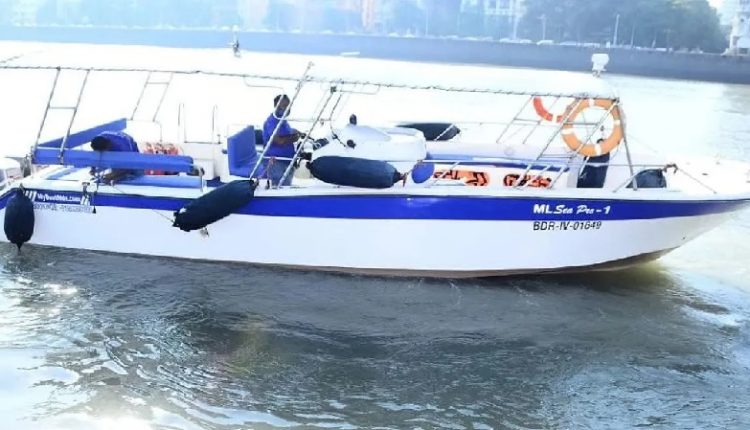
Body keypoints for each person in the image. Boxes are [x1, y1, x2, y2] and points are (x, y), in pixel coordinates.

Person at [262, 94, 303, 186]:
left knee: (287, 185)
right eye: (284, 106)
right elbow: (279, 140)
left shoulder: (282, 120)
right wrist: (294, 138)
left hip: (286, 161)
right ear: (276, 106)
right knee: (282, 188)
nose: (287, 109)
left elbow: (286, 131)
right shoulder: (272, 121)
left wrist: (296, 132)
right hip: (276, 162)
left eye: (289, 106)